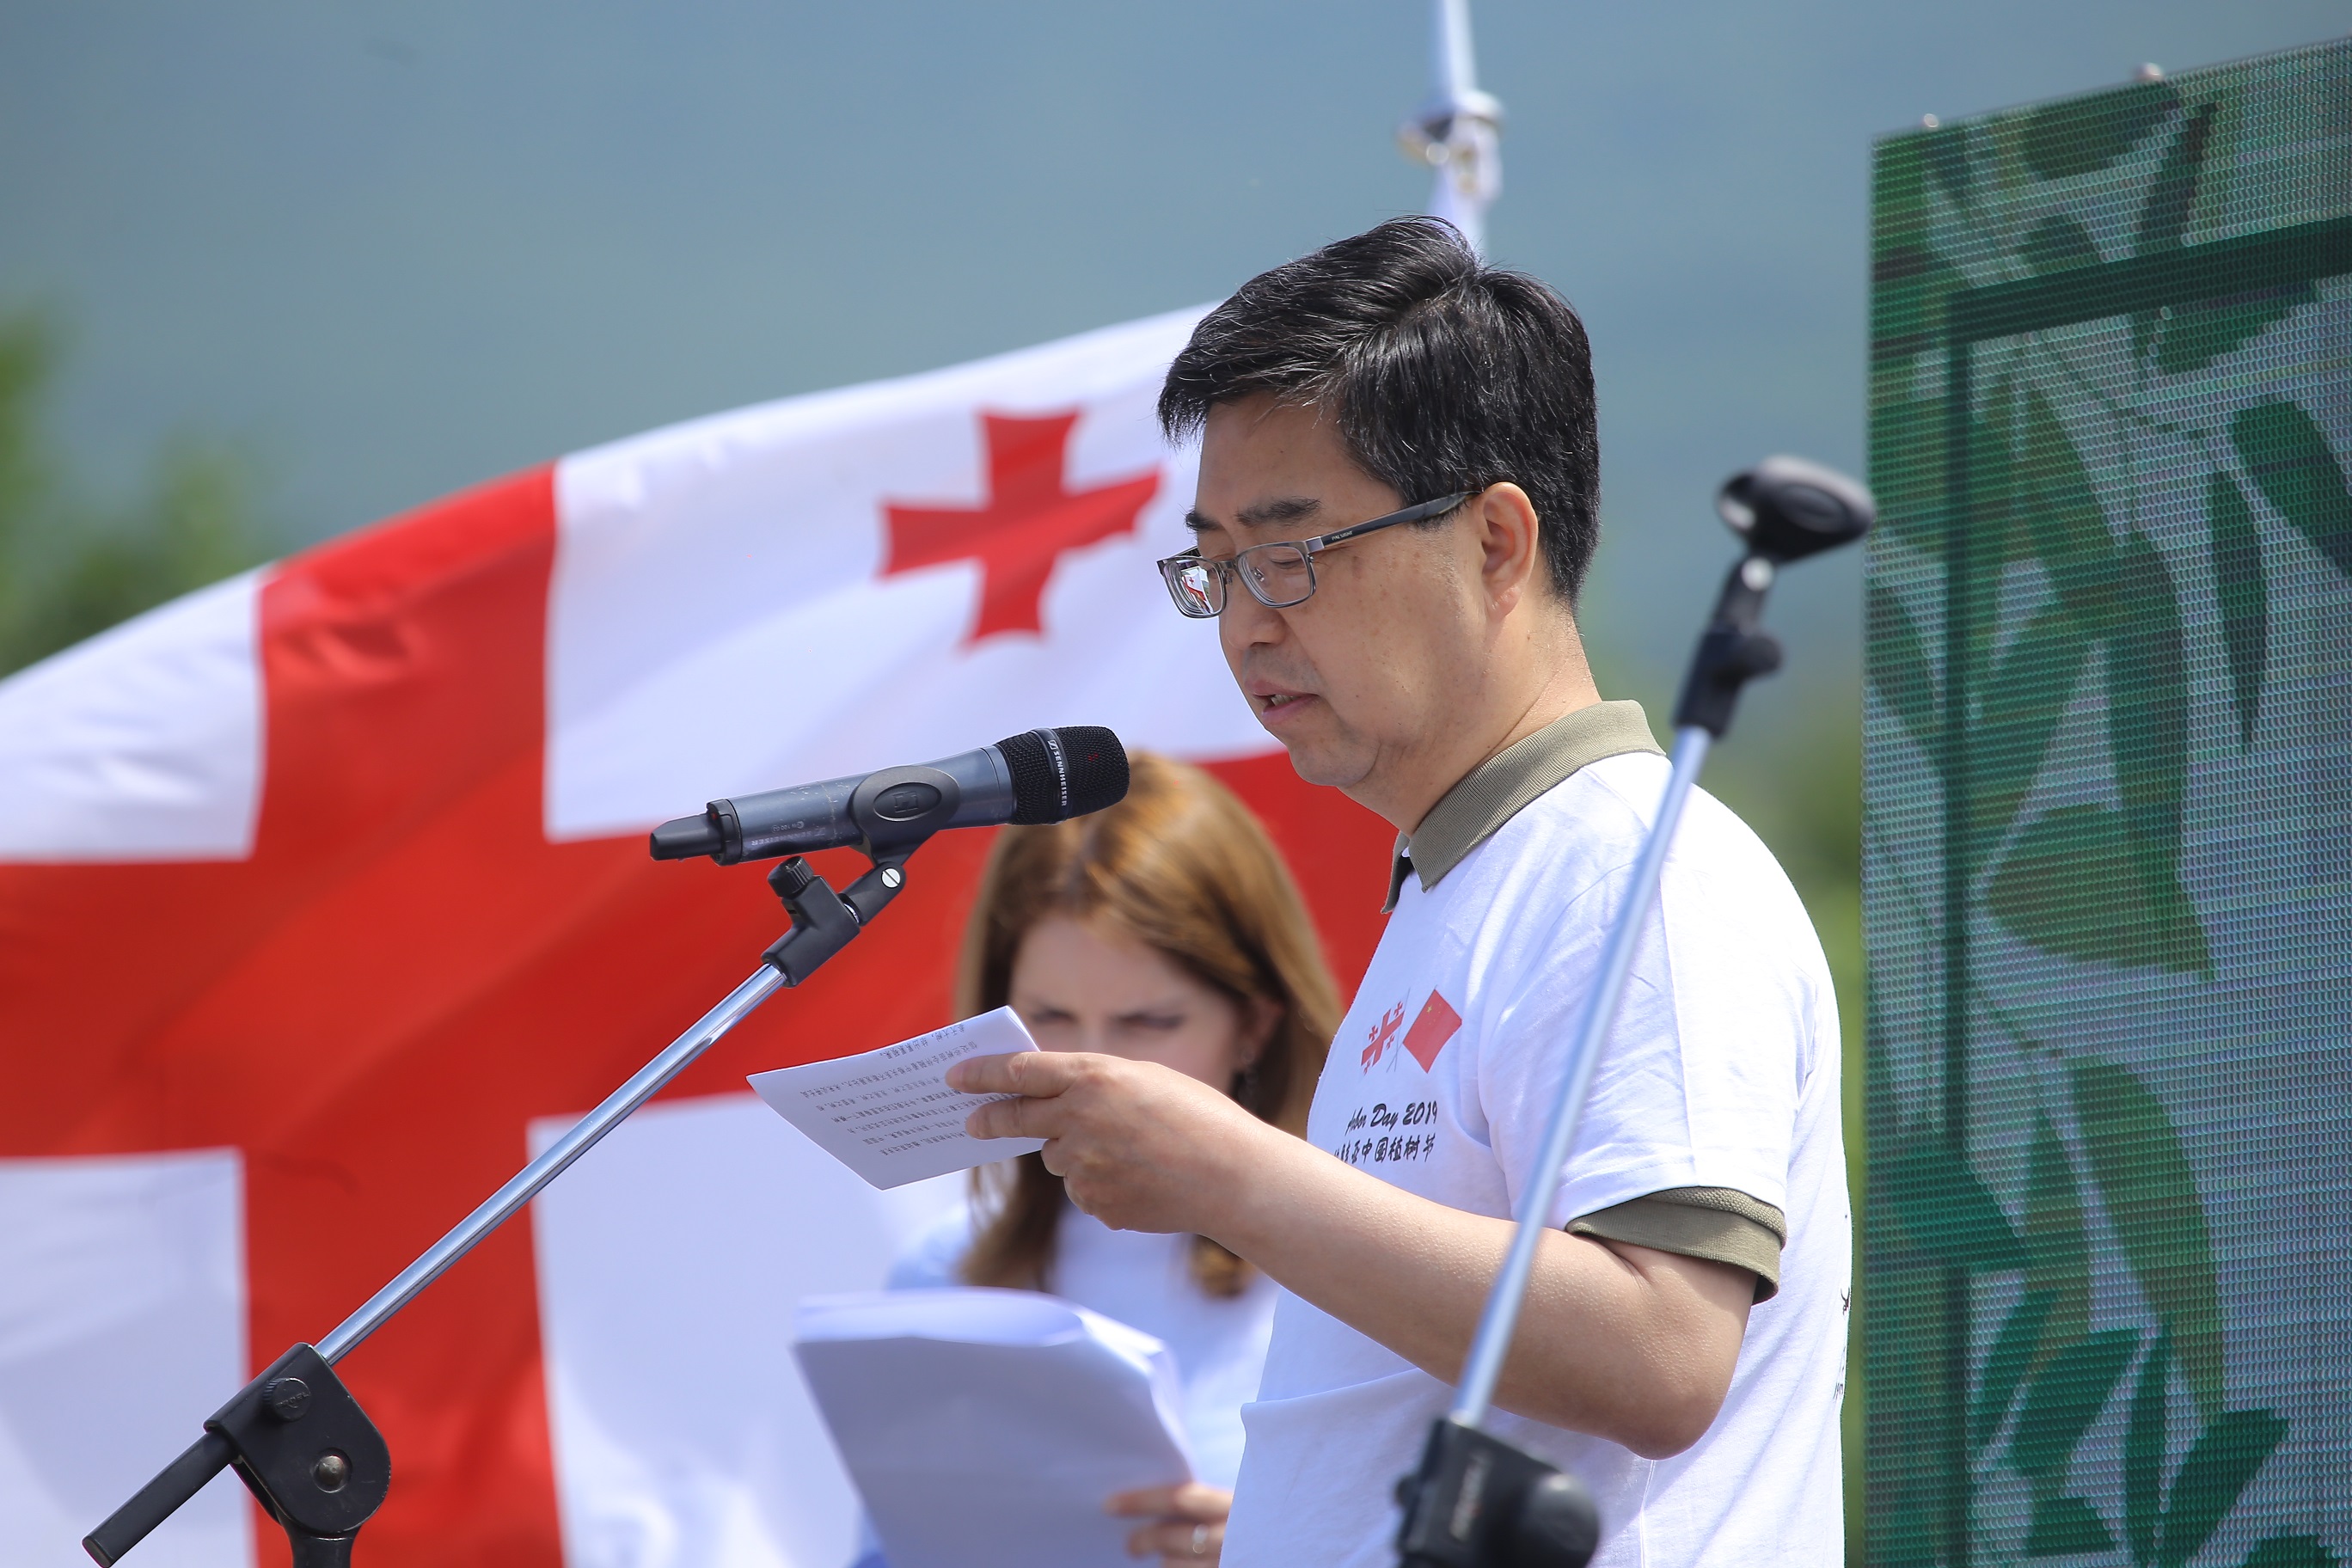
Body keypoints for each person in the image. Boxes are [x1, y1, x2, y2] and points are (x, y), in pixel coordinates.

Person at [950, 217, 1848, 1567]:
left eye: (1292, 552)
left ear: (1494, 541)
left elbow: (1664, 1352)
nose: (1247, 620)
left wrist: (1231, 1174)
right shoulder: (1467, 880)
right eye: (1216, 566)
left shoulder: (1632, 873)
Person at [883, 750, 1342, 1566]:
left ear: (1255, 1025)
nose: (1089, 1071)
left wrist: (1287, 1549)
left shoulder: (1360, 1267)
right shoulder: (944, 1277)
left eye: (1149, 1023)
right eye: (1050, 1017)